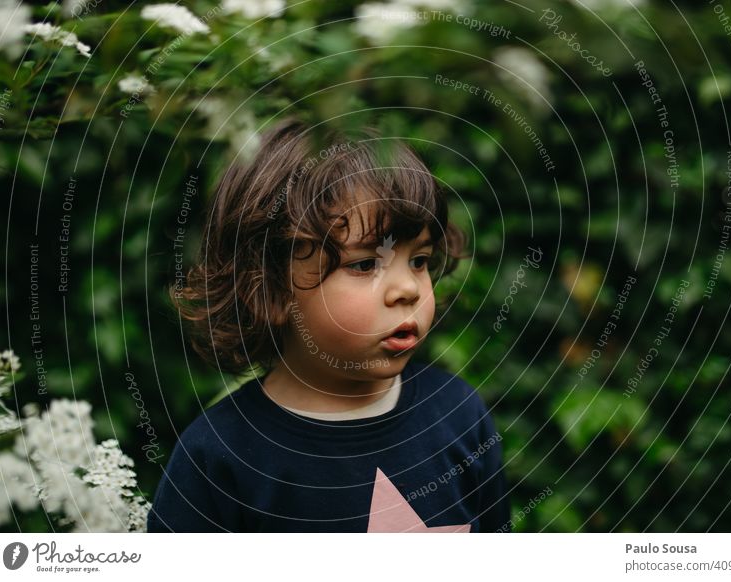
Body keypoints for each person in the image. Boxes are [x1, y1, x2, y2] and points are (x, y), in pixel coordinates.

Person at [147, 117, 511, 532]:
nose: (408, 289)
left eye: (419, 260)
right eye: (364, 264)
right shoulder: (220, 458)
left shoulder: (458, 413)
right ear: (270, 290)